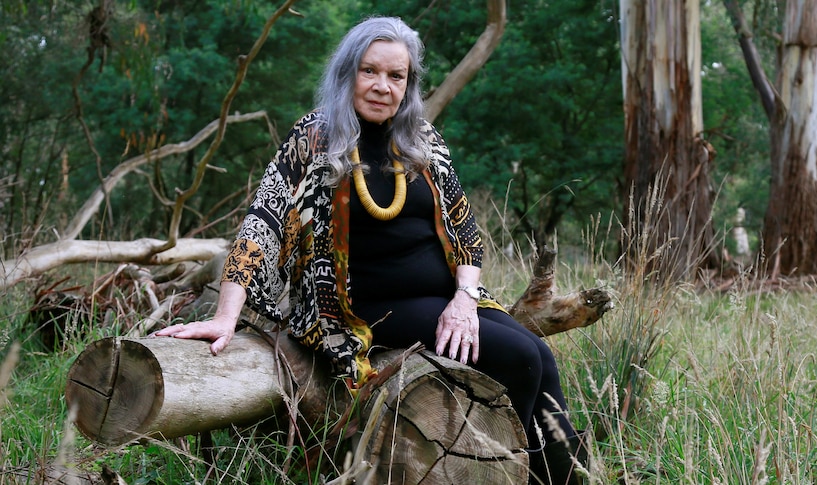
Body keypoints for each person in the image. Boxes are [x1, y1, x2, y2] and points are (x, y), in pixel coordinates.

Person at [156, 16, 585, 484]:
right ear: (348, 74)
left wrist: (465, 298)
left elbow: (464, 230)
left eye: (395, 76)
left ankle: (560, 476)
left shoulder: (422, 139)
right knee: (518, 356)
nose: (382, 86)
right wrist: (224, 317)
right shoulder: (314, 137)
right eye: (369, 71)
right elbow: (262, 225)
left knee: (539, 357)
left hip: (447, 299)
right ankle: (517, 472)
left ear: (409, 84)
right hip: (363, 309)